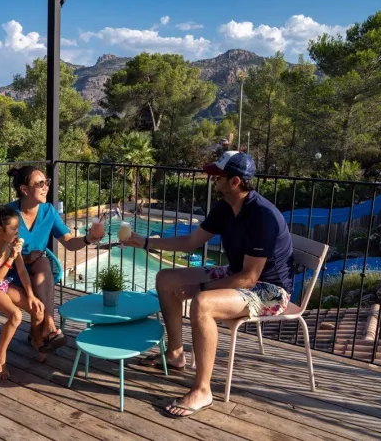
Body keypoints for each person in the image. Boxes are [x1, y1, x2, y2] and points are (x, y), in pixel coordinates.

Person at [123, 151, 294, 418]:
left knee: (202, 304)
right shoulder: (225, 208)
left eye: (217, 176)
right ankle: (175, 354)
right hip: (237, 274)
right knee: (165, 278)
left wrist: (199, 289)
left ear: (235, 181)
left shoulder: (263, 216)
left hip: (270, 290)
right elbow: (191, 242)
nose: (211, 179)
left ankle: (203, 390)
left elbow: (250, 278)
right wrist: (144, 241)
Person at [6, 166, 103, 352]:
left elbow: (68, 242)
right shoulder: (8, 214)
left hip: (36, 271)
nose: (46, 187)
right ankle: (44, 333)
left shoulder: (48, 211)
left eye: (47, 182)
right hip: (10, 273)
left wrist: (88, 238)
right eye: (40, 183)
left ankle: (48, 326)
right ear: (24, 190)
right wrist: (24, 258)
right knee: (41, 264)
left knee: (42, 262)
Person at [0, 206, 46, 375]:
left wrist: (31, 295)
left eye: (18, 227)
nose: (17, 231)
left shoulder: (10, 245)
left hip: (4, 285)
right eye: (14, 228)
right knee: (16, 315)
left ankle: (36, 340)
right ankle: (1, 353)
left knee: (38, 309)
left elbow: (21, 271)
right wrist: (12, 256)